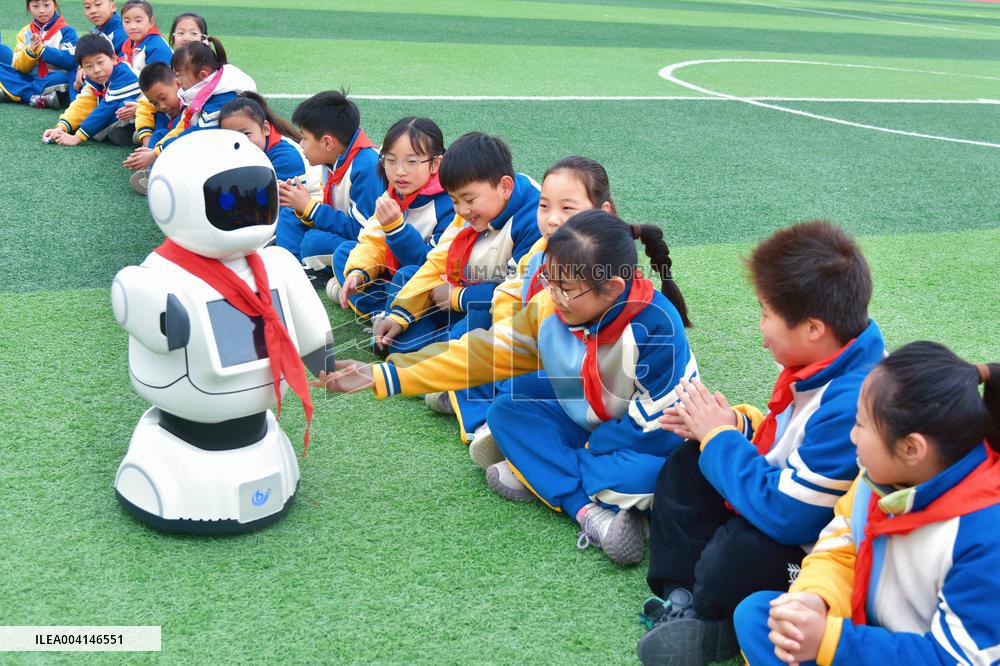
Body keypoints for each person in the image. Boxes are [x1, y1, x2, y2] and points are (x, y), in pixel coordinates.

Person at [311, 211, 697, 566]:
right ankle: (591, 513)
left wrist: (583, 450)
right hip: (588, 416)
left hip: (645, 439)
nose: (554, 296)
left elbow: (657, 427)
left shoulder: (656, 326)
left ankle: (541, 470)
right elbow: (482, 353)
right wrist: (381, 376)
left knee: (642, 477)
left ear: (612, 288)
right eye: (550, 280)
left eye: (567, 288)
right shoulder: (551, 306)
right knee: (505, 412)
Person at [637, 220, 886, 666]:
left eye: (766, 313)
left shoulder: (854, 399)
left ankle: (713, 618)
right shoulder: (823, 359)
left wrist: (719, 436)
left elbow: (790, 517)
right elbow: (783, 442)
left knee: (737, 551)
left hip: (810, 542)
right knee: (686, 465)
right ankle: (685, 597)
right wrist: (727, 424)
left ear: (812, 328)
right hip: (788, 501)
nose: (761, 327)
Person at [735, 342, 1000, 666]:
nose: (852, 436)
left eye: (861, 425)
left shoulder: (985, 536)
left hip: (916, 655)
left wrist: (832, 642)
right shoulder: (881, 474)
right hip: (873, 637)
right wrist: (817, 598)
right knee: (758, 616)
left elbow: (952, 659)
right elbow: (844, 539)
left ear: (912, 449)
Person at [331, 116, 453, 317]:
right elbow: (373, 241)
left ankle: (389, 317)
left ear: (435, 164)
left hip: (427, 286)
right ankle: (383, 314)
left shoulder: (448, 204)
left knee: (407, 275)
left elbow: (429, 266)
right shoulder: (393, 193)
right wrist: (358, 274)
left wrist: (397, 231)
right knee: (345, 253)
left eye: (412, 161)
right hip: (394, 279)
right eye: (391, 160)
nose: (399, 171)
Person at [41, 32, 139, 145]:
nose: (96, 69)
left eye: (100, 62)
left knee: (124, 107)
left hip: (154, 114)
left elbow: (105, 109)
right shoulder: (94, 78)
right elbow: (83, 102)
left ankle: (142, 134)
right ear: (81, 68)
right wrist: (61, 127)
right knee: (94, 115)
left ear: (113, 59)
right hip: (122, 115)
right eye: (89, 66)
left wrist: (77, 137)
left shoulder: (124, 74)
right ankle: (127, 132)